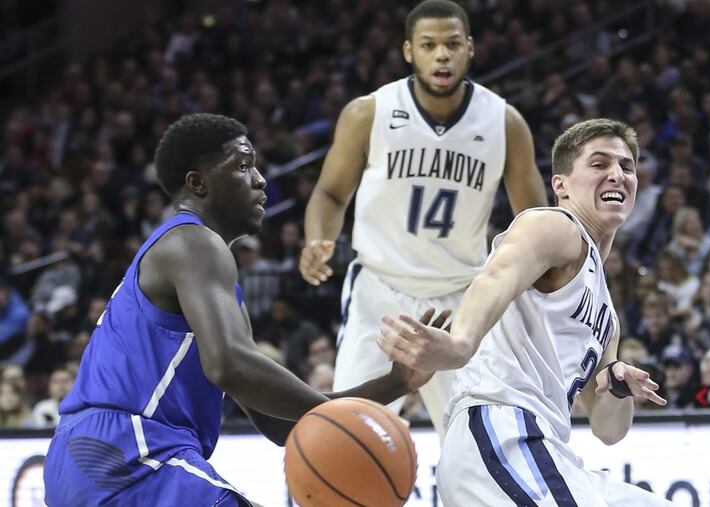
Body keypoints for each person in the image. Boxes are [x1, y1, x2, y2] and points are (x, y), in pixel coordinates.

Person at [42, 113, 435, 507]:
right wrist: (342, 418)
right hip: (131, 451)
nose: (260, 179)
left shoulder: (209, 282)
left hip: (86, 457)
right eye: (243, 165)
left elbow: (279, 423)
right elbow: (229, 364)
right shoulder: (193, 241)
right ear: (198, 183)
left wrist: (397, 382)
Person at [379, 119, 674, 506]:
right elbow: (495, 276)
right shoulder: (556, 226)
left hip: (547, 446)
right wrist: (460, 343)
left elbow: (608, 429)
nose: (617, 174)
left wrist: (617, 385)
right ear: (561, 185)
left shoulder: (607, 313)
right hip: (502, 431)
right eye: (600, 164)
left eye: (627, 166)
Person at [299, 0, 547, 434]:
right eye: (429, 45)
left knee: (477, 442)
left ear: (470, 48)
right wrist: (317, 240)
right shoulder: (368, 113)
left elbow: (533, 223)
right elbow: (330, 192)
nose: (442, 55)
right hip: (380, 291)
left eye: (452, 44)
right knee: (347, 436)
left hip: (460, 300)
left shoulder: (505, 123)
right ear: (409, 51)